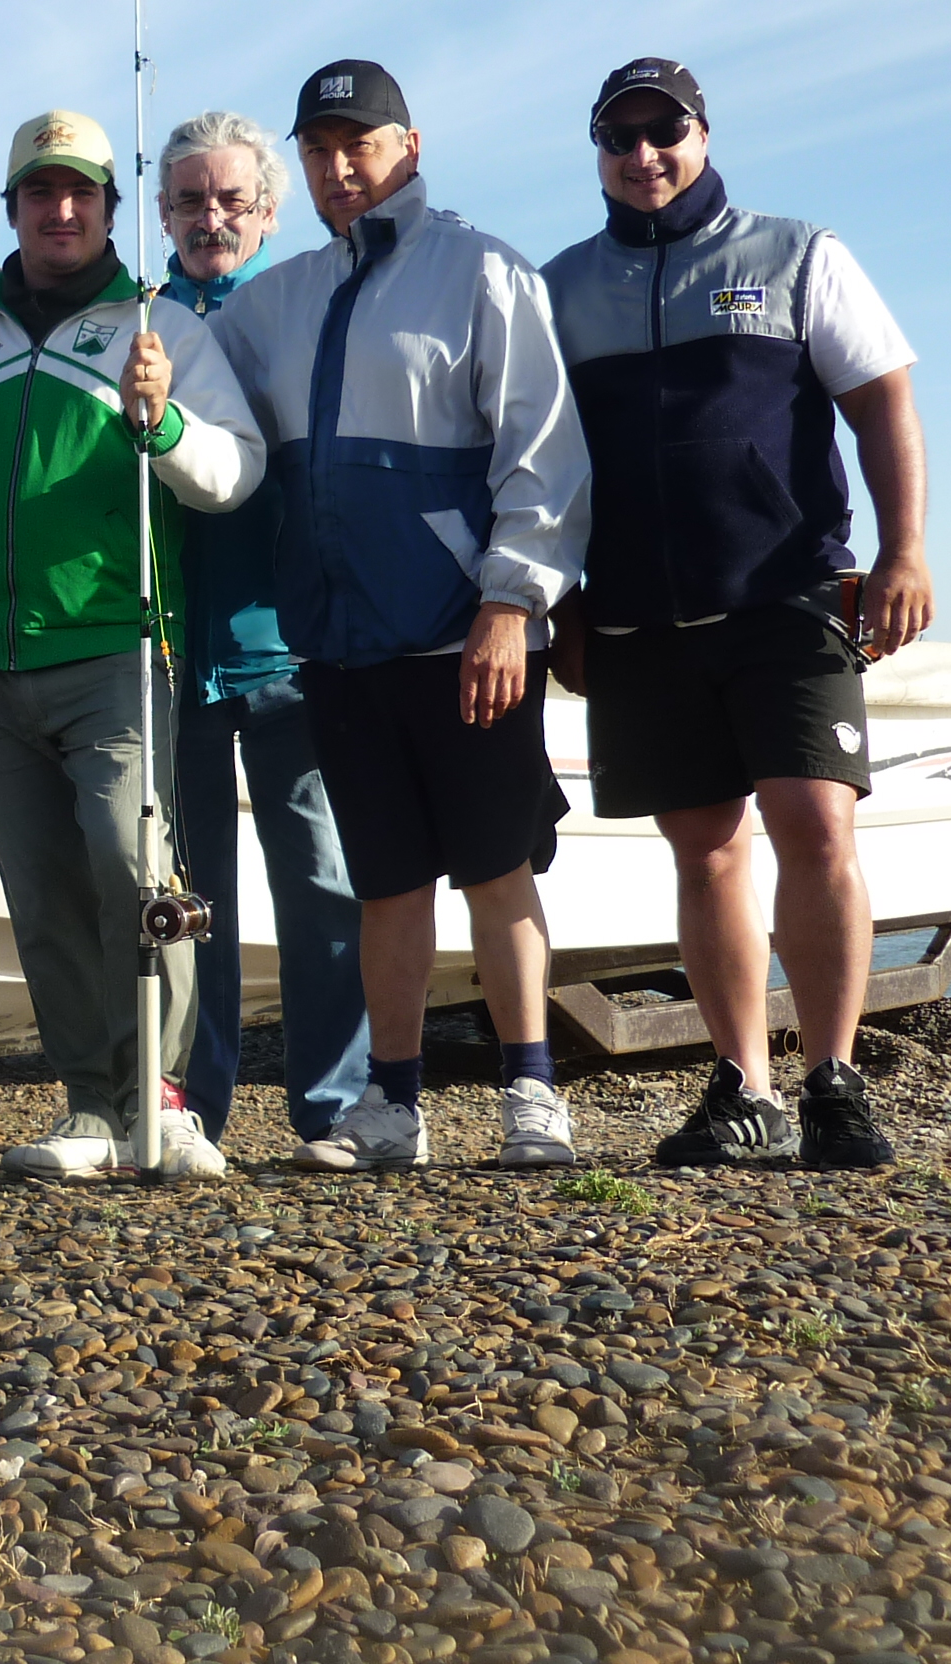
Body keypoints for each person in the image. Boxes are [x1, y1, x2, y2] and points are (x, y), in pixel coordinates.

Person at [541, 58, 929, 1170]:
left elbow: (882, 398)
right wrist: (560, 596)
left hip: (786, 593)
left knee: (814, 823)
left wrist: (902, 550)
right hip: (635, 619)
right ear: (598, 152)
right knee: (704, 851)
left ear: (702, 134)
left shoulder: (799, 253)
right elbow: (542, 461)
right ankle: (741, 1086)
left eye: (663, 130)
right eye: (618, 136)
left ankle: (833, 1079)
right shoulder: (561, 287)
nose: (642, 154)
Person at [205, 61, 592, 1172]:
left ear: (408, 148)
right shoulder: (274, 301)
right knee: (383, 885)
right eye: (317, 149)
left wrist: (512, 605)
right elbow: (194, 386)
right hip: (336, 645)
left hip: (464, 640)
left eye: (357, 145)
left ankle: (531, 1094)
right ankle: (393, 1105)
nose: (337, 167)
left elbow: (543, 453)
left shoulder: (482, 272)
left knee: (497, 870)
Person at [0, 110, 265, 1182]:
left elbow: (234, 472)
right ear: (11, 209)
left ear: (109, 207)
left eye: (82, 194)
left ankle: (166, 1102)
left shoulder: (159, 331)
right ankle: (91, 1109)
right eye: (38, 193)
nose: (60, 212)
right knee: (43, 896)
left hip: (117, 650)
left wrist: (161, 425)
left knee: (133, 866)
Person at [154, 112, 370, 1149]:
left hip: (294, 648)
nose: (210, 218)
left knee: (323, 887)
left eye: (230, 199)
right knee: (191, 905)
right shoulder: (129, 319)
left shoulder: (310, 308)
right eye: (189, 200)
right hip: (167, 658)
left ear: (268, 212)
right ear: (160, 213)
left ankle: (333, 1104)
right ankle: (194, 1107)